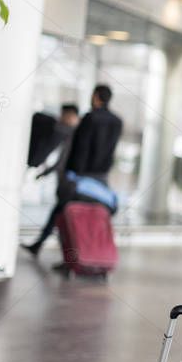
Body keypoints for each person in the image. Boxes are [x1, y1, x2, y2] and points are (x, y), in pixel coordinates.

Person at [22, 86, 122, 256]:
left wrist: (74, 174)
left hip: (83, 177)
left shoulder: (89, 118)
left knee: (63, 212)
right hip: (102, 177)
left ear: (96, 97)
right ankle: (91, 253)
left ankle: (66, 254)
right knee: (93, 217)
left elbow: (81, 148)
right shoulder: (117, 122)